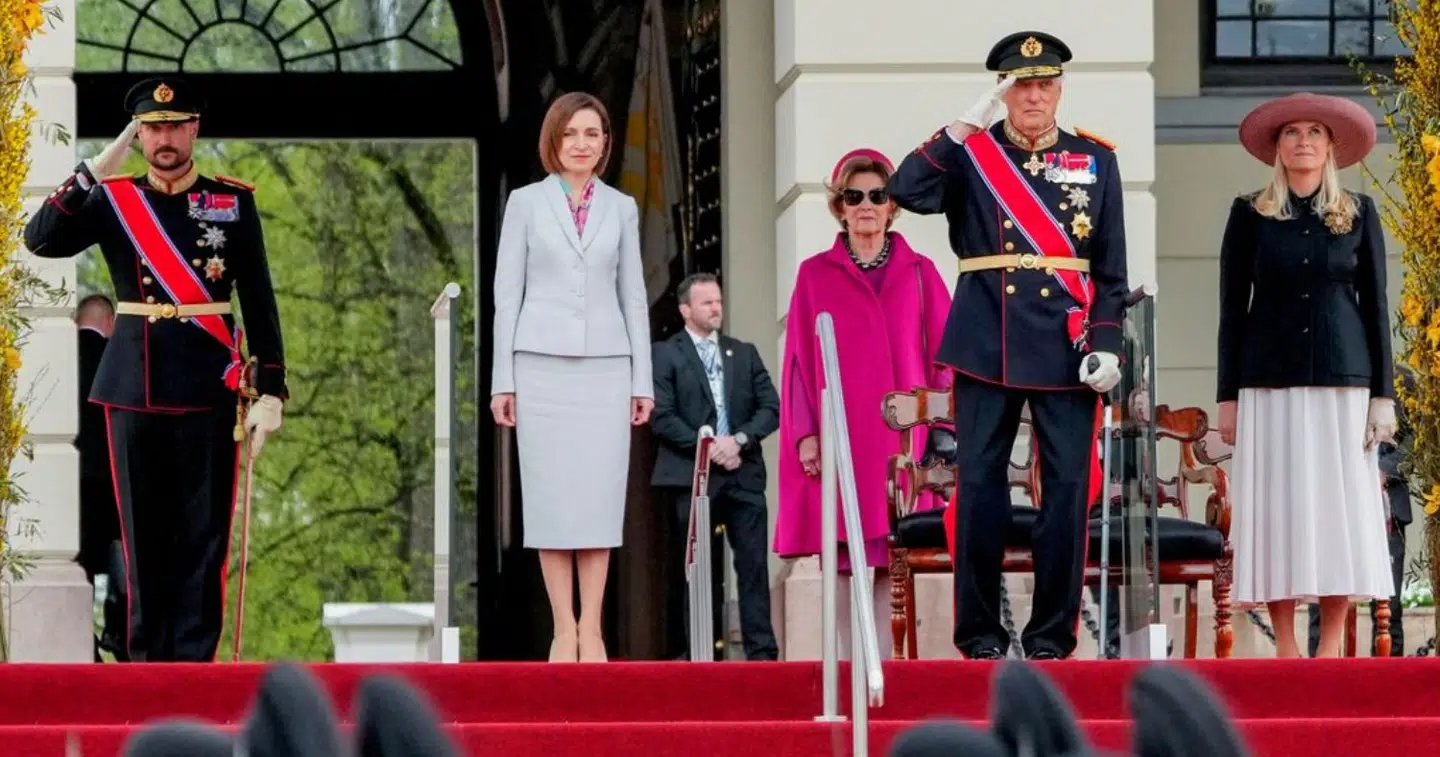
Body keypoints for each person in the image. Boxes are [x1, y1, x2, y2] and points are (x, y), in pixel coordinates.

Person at [24, 77, 287, 663]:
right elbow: (39, 239)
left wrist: (271, 388)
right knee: (142, 538)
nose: (164, 138)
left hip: (208, 384)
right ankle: (145, 664)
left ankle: (193, 664)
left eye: (175, 125)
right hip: (133, 383)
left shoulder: (230, 200)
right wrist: (94, 166)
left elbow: (259, 299)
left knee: (204, 536)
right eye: (152, 128)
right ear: (137, 134)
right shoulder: (114, 199)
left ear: (194, 129)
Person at [888, 31, 1128, 660]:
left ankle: (1051, 635)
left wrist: (1106, 342)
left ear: (1060, 90)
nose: (1033, 96)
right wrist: (964, 125)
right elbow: (906, 190)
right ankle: (979, 635)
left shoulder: (1095, 159)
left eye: (1045, 84)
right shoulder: (972, 155)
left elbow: (1110, 269)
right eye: (1020, 85)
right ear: (1002, 91)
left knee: (1069, 491)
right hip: (986, 336)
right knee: (980, 491)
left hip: (1065, 345)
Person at [1218, 92, 1395, 658]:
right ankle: (1287, 645)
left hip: (1345, 379)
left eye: (1314, 133)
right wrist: (1228, 397)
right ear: (1277, 147)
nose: (1302, 142)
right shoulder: (1249, 213)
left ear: (1330, 147)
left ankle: (1333, 642)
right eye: (1291, 133)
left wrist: (1383, 396)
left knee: (1338, 508)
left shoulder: (1360, 213)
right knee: (1280, 508)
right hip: (1267, 379)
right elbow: (1231, 309)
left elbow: (1376, 308)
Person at [489, 91, 653, 664]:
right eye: (571, 134)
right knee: (553, 500)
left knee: (599, 500)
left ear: (606, 143)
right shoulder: (526, 204)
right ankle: (563, 627)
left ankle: (593, 627)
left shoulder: (622, 208)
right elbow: (506, 294)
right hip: (539, 367)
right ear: (553, 141)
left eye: (593, 134)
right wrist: (501, 381)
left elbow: (633, 295)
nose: (582, 144)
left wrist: (642, 383)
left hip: (607, 368)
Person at [773, 147, 953, 657]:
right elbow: (796, 365)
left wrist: (940, 430)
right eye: (855, 196)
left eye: (878, 195)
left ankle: (883, 664)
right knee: (844, 555)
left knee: (888, 554)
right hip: (840, 435)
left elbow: (946, 360)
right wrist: (806, 434)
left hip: (899, 441)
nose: (867, 205)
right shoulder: (814, 274)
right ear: (840, 207)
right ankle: (849, 662)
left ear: (893, 206)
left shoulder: (920, 272)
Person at [650, 273, 781, 661]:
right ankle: (700, 655)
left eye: (718, 301)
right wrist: (708, 446)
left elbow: (770, 407)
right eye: (706, 302)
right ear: (685, 309)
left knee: (753, 565)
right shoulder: (666, 353)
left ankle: (762, 654)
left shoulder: (744, 353)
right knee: (697, 570)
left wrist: (737, 441)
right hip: (692, 476)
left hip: (743, 472)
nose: (715, 308)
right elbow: (662, 416)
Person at [1306, 364, 1416, 657]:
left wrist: (1382, 472)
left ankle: (1389, 674)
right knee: (1322, 596)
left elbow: (1412, 442)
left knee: (1388, 604)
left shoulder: (1401, 379)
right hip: (1334, 501)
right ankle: (1320, 672)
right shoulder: (1333, 377)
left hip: (1388, 504)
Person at [73, 293, 123, 661]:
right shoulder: (116, 359)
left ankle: (81, 640)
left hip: (70, 480)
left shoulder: (57, 356)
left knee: (79, 566)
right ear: (109, 321)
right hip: (111, 479)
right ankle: (118, 633)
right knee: (121, 558)